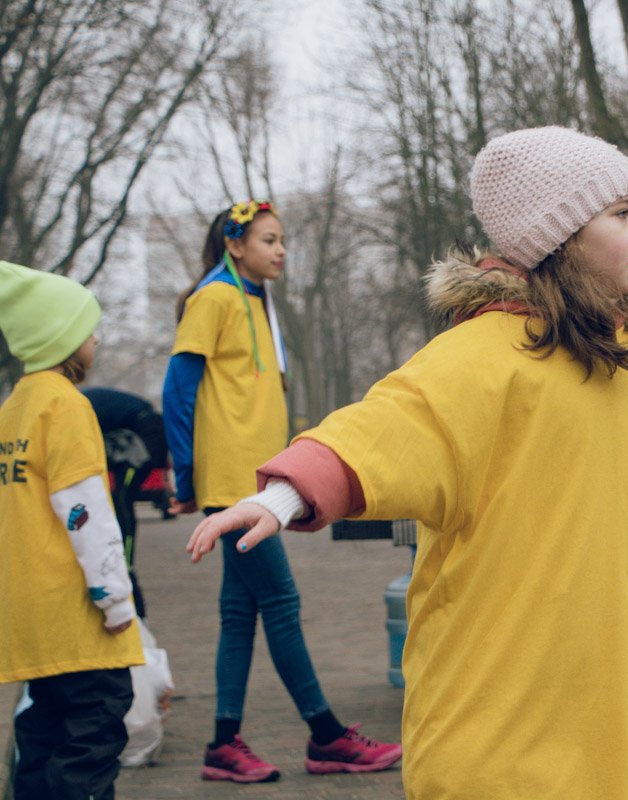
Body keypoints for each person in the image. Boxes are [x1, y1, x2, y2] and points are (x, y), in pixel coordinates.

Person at [184, 127, 628, 799]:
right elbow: (386, 430)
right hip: (515, 724)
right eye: (621, 213)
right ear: (557, 237)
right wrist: (282, 496)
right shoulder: (476, 363)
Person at [161, 200, 401, 783]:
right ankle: (326, 737)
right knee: (283, 604)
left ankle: (223, 744)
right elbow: (178, 389)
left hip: (257, 479)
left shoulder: (258, 300)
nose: (280, 249)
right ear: (234, 245)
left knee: (239, 613)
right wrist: (187, 477)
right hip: (230, 483)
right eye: (268, 240)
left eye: (282, 239)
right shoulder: (214, 297)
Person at [0, 261, 143, 800]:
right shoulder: (66, 406)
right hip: (77, 617)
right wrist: (116, 600)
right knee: (93, 733)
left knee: (41, 733)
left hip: (32, 616)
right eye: (87, 328)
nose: (96, 338)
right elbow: (84, 512)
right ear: (59, 338)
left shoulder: (13, 409)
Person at [82, 387, 170, 618]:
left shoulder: (76, 407)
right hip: (144, 430)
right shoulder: (82, 403)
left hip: (147, 433)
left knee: (122, 499)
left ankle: (126, 560)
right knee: (120, 498)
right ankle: (123, 558)